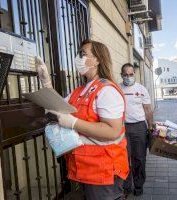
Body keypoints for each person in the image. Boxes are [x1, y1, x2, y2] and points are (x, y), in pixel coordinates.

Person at [35, 39, 129, 200]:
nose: (78, 58)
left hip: (103, 171)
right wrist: (46, 82)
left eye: (83, 54)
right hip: (84, 168)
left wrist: (73, 123)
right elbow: (57, 106)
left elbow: (113, 131)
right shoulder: (79, 90)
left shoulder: (107, 90)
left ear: (97, 60)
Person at [120, 63, 153, 197]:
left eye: (131, 74)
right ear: (121, 75)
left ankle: (138, 185)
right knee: (124, 158)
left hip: (139, 126)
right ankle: (126, 187)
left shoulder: (141, 89)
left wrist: (151, 126)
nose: (128, 77)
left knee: (139, 158)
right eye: (125, 75)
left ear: (134, 74)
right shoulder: (117, 88)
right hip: (122, 128)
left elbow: (148, 109)